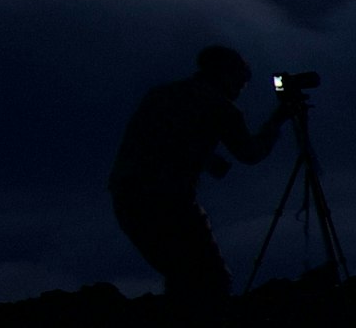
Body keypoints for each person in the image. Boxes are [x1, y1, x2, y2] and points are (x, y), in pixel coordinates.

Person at [111, 45, 292, 300]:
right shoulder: (221, 108)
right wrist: (276, 121)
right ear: (227, 76)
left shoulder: (161, 95)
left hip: (127, 197)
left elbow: (158, 140)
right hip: (169, 201)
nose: (240, 91)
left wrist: (205, 158)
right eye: (240, 83)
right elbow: (250, 153)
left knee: (182, 274)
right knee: (211, 279)